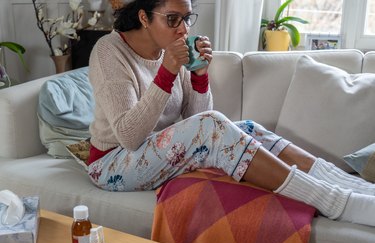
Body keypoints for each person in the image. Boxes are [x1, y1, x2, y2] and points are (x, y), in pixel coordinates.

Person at [87, 0, 375, 227]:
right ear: (143, 17)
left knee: (246, 127)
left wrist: (199, 75)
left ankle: (353, 186)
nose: (183, 29)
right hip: (112, 163)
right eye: (172, 19)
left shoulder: (170, 50)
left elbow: (196, 123)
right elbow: (129, 136)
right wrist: (168, 72)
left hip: (153, 149)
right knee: (215, 126)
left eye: (187, 18)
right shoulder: (109, 51)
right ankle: (337, 203)